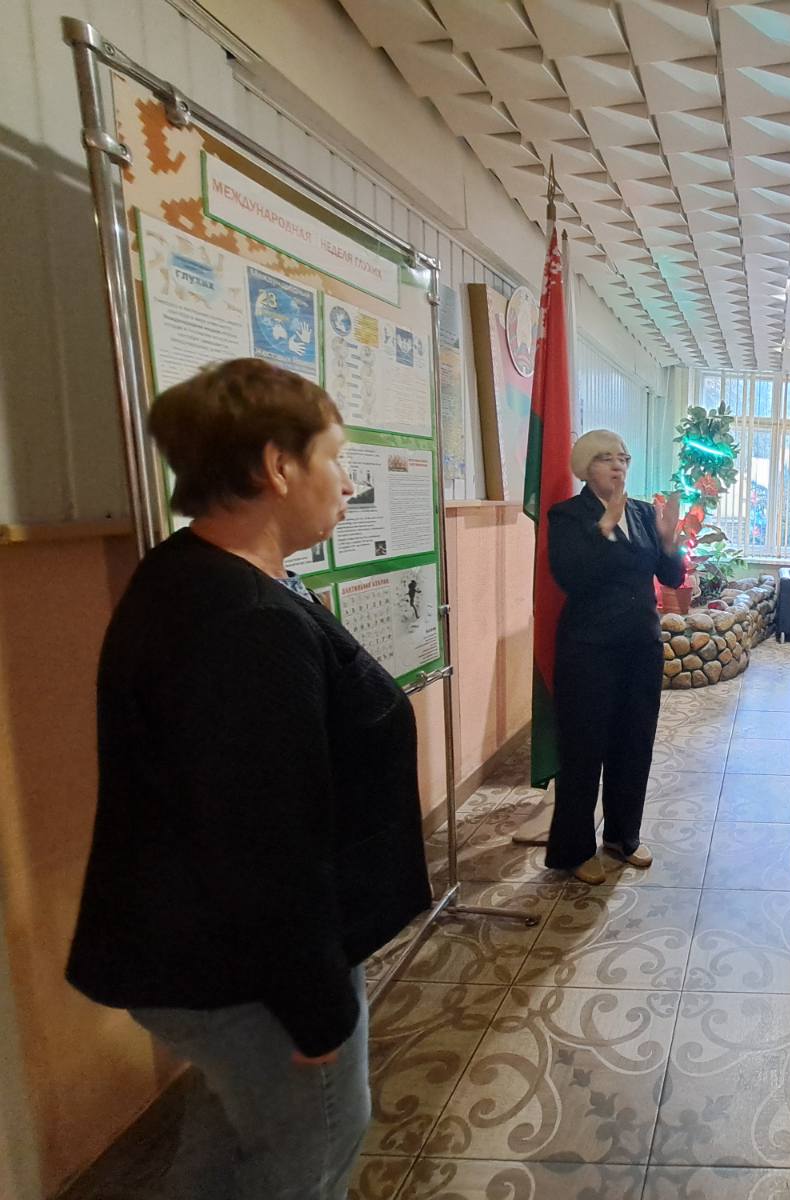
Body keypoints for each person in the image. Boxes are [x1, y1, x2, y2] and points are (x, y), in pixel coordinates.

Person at [66, 359, 432, 1199]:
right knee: (310, 1154)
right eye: (336, 456)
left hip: (217, 956)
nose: (349, 481)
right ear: (278, 466)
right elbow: (265, 844)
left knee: (233, 1148)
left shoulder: (202, 574)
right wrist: (317, 1008)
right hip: (250, 975)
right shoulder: (243, 626)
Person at [543, 430, 684, 885]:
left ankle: (623, 837)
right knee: (583, 750)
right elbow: (571, 576)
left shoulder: (642, 512)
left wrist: (669, 542)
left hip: (640, 647)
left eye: (623, 457)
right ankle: (574, 850)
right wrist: (604, 526)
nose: (618, 465)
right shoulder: (568, 515)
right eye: (606, 458)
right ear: (586, 467)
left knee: (634, 743)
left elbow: (671, 576)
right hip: (588, 650)